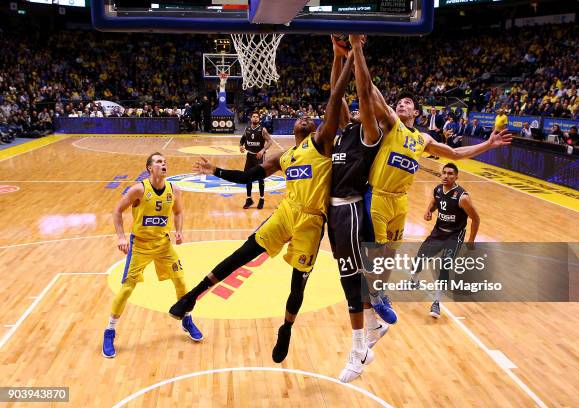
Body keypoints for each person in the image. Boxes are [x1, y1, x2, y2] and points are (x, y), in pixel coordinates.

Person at [168, 51, 356, 365]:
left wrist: (343, 58)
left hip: (312, 219)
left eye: (309, 116)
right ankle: (191, 298)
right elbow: (247, 176)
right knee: (242, 254)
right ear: (295, 128)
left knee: (298, 281)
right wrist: (215, 170)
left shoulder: (322, 143)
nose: (305, 117)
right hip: (286, 212)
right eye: (300, 117)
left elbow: (335, 99)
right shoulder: (285, 157)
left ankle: (286, 328)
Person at [348, 34, 511, 325]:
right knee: (376, 251)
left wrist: (488, 144)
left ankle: (378, 293)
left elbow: (455, 153)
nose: (402, 104)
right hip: (378, 194)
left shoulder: (422, 139)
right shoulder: (390, 124)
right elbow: (369, 88)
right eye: (399, 102)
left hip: (400, 200)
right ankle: (371, 296)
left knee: (389, 255)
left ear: (417, 112)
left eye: (408, 102)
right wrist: (357, 49)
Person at [326, 37, 386, 383]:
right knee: (349, 276)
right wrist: (337, 56)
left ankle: (360, 348)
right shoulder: (341, 132)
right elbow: (336, 96)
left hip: (349, 211)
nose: (350, 109)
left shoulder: (369, 135)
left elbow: (361, 95)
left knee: (350, 283)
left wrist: (358, 51)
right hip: (335, 216)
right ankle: (374, 322)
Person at [102, 152, 203, 358]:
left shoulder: (174, 189)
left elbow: (178, 212)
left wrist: (179, 230)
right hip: (140, 245)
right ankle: (110, 331)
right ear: (150, 168)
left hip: (163, 244)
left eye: (165, 161)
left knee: (181, 283)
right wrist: (121, 238)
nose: (163, 164)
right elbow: (117, 211)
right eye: (158, 161)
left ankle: (187, 319)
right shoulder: (138, 189)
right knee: (127, 289)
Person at [411, 163, 480, 318]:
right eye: (444, 173)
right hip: (438, 232)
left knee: (444, 266)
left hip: (454, 236)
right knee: (420, 257)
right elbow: (435, 203)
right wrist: (428, 210)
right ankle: (414, 280)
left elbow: (476, 219)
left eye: (450, 173)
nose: (446, 176)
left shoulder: (463, 198)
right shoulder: (437, 190)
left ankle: (436, 302)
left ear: (456, 177)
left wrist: (471, 240)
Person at [239, 112, 272, 209]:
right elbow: (242, 139)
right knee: (247, 177)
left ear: (259, 119)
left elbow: (270, 141)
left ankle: (261, 199)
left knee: (260, 178)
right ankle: (249, 199)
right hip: (249, 156)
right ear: (251, 118)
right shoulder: (247, 128)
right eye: (253, 116)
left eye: (257, 117)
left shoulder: (263, 130)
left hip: (259, 157)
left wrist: (263, 150)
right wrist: (241, 146)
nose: (255, 118)